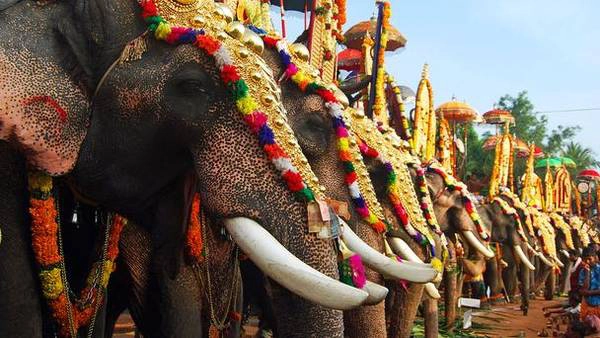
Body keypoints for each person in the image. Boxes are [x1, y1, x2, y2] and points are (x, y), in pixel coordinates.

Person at [578, 246, 600, 332]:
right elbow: (583, 291)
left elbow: (585, 292)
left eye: (589, 259)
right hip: (587, 305)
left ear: (595, 258)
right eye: (585, 260)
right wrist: (587, 273)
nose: (587, 262)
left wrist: (588, 292)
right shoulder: (583, 272)